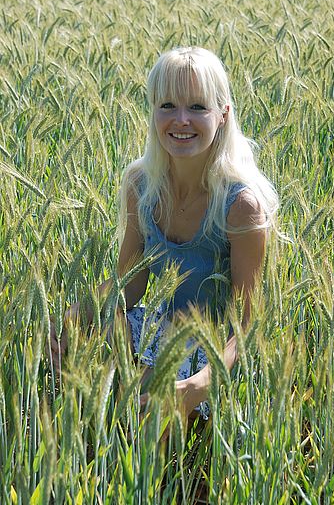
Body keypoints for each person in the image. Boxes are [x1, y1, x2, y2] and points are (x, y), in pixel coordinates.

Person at [49, 45, 279, 428]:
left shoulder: (241, 205)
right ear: (153, 111)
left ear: (223, 114)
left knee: (141, 403)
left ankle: (162, 464)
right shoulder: (141, 185)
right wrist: (66, 322)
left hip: (215, 356)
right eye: (168, 105)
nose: (181, 120)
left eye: (198, 107)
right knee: (100, 334)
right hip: (162, 331)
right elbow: (129, 286)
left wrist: (195, 385)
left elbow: (249, 326)